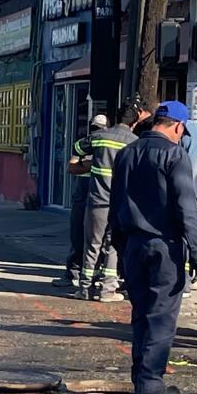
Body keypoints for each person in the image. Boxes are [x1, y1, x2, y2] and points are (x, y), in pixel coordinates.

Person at [110, 100, 197, 394]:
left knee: (141, 313)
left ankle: (140, 377)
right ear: (178, 126)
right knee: (161, 316)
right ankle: (150, 383)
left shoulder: (126, 154)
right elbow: (186, 206)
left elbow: (116, 206)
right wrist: (195, 247)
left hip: (133, 245)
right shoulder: (175, 155)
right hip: (166, 246)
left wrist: (121, 246)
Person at [76, 105, 140, 301]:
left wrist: (89, 161)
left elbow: (78, 147)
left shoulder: (100, 137)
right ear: (134, 123)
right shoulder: (135, 143)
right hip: (120, 204)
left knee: (92, 244)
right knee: (113, 246)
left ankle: (84, 289)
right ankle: (107, 290)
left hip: (97, 200)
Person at [53, 115, 108, 287]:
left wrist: (88, 164)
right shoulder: (84, 144)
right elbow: (71, 167)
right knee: (78, 234)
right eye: (94, 129)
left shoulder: (108, 146)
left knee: (100, 238)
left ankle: (96, 274)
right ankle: (73, 273)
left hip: (100, 193)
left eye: (99, 129)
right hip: (83, 191)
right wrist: (92, 165)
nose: (96, 133)